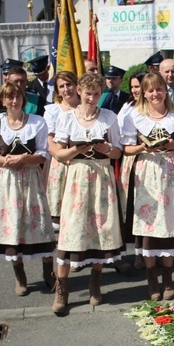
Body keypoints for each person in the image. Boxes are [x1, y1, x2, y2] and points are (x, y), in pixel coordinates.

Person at [50, 73, 124, 314]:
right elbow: (58, 154)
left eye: (96, 93)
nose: (92, 98)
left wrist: (108, 148)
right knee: (71, 231)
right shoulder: (68, 118)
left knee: (99, 229)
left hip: (102, 177)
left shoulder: (109, 117)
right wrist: (76, 149)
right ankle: (62, 289)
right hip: (77, 177)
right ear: (79, 91)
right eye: (88, 93)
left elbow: (118, 152)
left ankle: (95, 283)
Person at [120, 73, 174, 300]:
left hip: (172, 170)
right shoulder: (134, 115)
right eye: (151, 90)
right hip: (147, 171)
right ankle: (152, 277)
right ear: (144, 92)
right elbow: (126, 148)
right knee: (151, 224)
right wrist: (144, 147)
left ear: (166, 90)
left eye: (159, 89)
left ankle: (169, 277)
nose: (155, 94)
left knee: (171, 222)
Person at [0, 82, 56, 296]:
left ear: (24, 99)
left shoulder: (37, 122)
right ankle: (20, 276)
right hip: (7, 181)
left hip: (32, 178)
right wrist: (7, 161)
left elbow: (44, 153)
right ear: (2, 101)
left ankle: (48, 272)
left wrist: (24, 158)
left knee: (40, 224)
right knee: (12, 225)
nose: (14, 101)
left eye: (18, 97)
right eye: (10, 97)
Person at [43, 71, 79, 229]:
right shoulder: (52, 111)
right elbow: (48, 138)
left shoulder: (87, 107)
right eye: (62, 86)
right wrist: (60, 155)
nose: (66, 89)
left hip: (81, 161)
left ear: (76, 86)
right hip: (60, 162)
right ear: (57, 91)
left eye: (69, 84)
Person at [117, 71, 146, 267]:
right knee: (133, 207)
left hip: (150, 159)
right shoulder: (127, 107)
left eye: (139, 86)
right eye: (134, 86)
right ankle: (138, 252)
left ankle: (152, 250)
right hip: (131, 159)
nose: (136, 90)